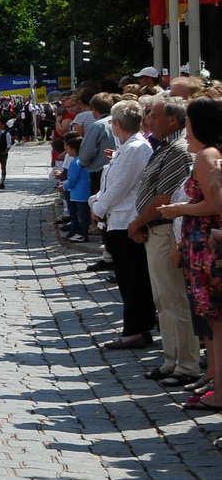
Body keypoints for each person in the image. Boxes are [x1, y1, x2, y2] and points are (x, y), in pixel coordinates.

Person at [131, 98, 200, 385]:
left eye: (154, 115)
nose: (148, 119)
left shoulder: (179, 151)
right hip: (155, 231)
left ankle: (186, 364)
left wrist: (136, 222)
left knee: (174, 302)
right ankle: (171, 359)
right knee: (163, 302)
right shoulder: (167, 148)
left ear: (173, 120)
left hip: (165, 231)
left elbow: (164, 197)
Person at [164, 97, 222, 411]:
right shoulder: (206, 154)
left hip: (209, 246)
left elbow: (214, 204)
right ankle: (215, 381)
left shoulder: (207, 155)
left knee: (215, 321)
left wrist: (178, 209)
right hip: (202, 245)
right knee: (211, 322)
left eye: (187, 124)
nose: (185, 132)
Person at [90, 100, 155, 352]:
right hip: (117, 220)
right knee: (127, 280)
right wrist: (96, 202)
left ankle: (135, 330)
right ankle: (136, 328)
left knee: (133, 280)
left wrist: (97, 208)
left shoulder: (136, 148)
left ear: (117, 124)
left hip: (126, 220)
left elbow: (120, 187)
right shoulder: (127, 147)